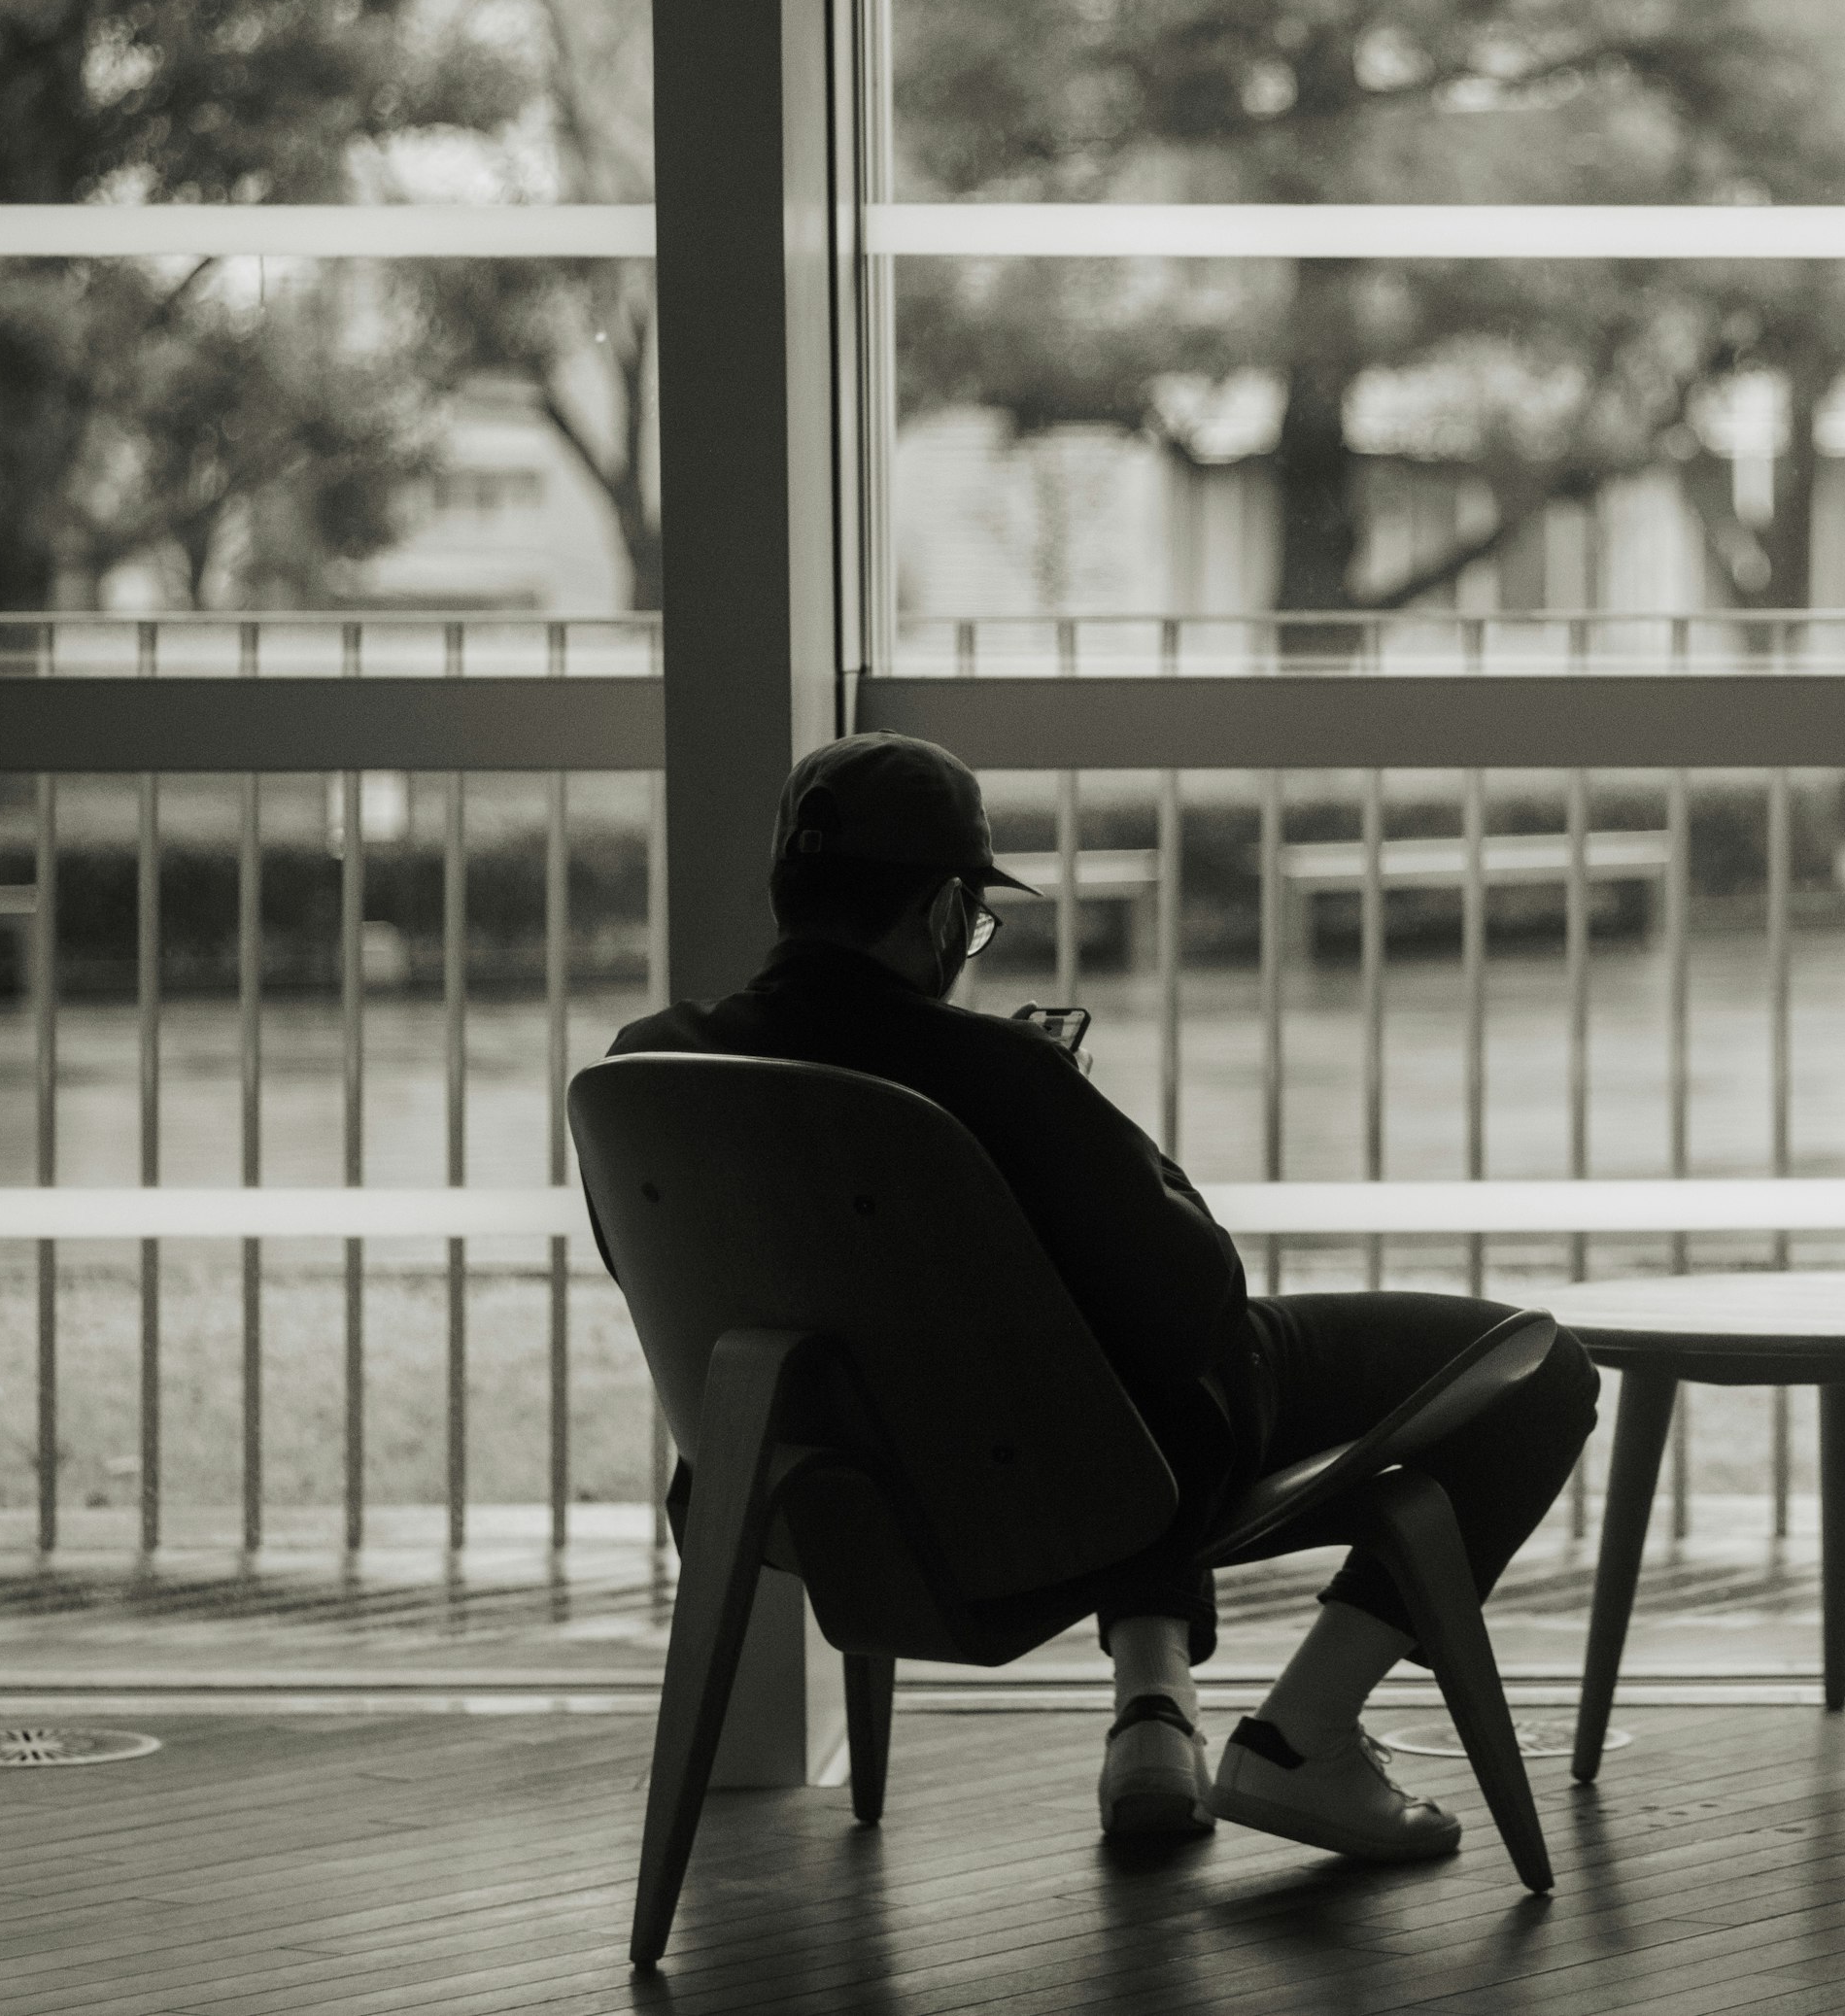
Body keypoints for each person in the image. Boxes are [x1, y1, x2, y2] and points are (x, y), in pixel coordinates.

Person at [606, 734, 1599, 1856]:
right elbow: (1197, 1300)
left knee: (1090, 1348)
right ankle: (1300, 1733)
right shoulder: (999, 1075)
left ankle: (1156, 1704)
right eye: (971, 925)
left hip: (806, 1495)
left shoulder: (651, 1069)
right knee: (1543, 1368)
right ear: (940, 912)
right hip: (1054, 1494)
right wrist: (1078, 1122)